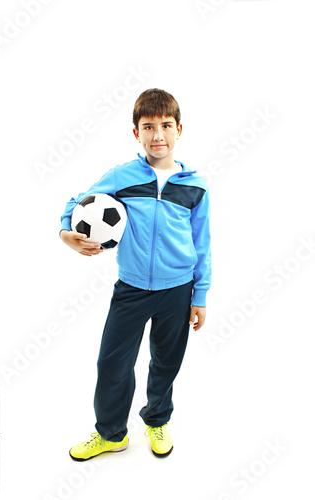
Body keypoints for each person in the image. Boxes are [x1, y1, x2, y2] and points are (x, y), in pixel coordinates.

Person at [60, 88, 212, 460]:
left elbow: (202, 243)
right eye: (148, 127)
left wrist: (200, 295)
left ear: (179, 129)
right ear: (136, 133)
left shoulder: (195, 186)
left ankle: (156, 421)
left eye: (165, 126)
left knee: (165, 361)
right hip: (131, 288)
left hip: (178, 289)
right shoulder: (122, 176)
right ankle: (111, 433)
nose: (157, 135)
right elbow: (75, 202)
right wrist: (67, 233)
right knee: (112, 362)